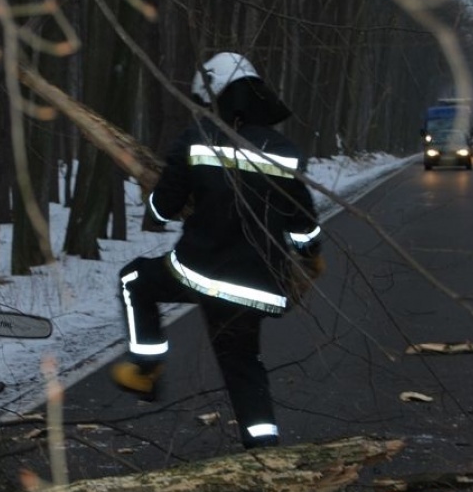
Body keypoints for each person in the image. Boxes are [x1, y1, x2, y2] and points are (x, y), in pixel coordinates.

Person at [110, 52, 323, 449]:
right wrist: (312, 256)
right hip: (257, 285)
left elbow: (162, 208)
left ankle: (145, 368)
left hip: (201, 272)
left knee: (136, 279)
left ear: (218, 96)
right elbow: (303, 224)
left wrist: (154, 188)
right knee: (243, 364)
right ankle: (264, 448)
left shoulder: (197, 138)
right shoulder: (285, 151)